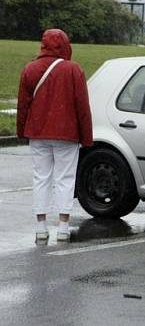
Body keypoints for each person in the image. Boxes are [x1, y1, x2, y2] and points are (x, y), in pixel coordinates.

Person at [17, 29, 92, 243]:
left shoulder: (30, 69)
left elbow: (23, 105)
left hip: (38, 132)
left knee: (41, 178)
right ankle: (63, 226)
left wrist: (22, 131)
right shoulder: (73, 70)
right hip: (66, 133)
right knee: (65, 179)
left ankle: (40, 226)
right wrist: (86, 137)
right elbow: (82, 108)